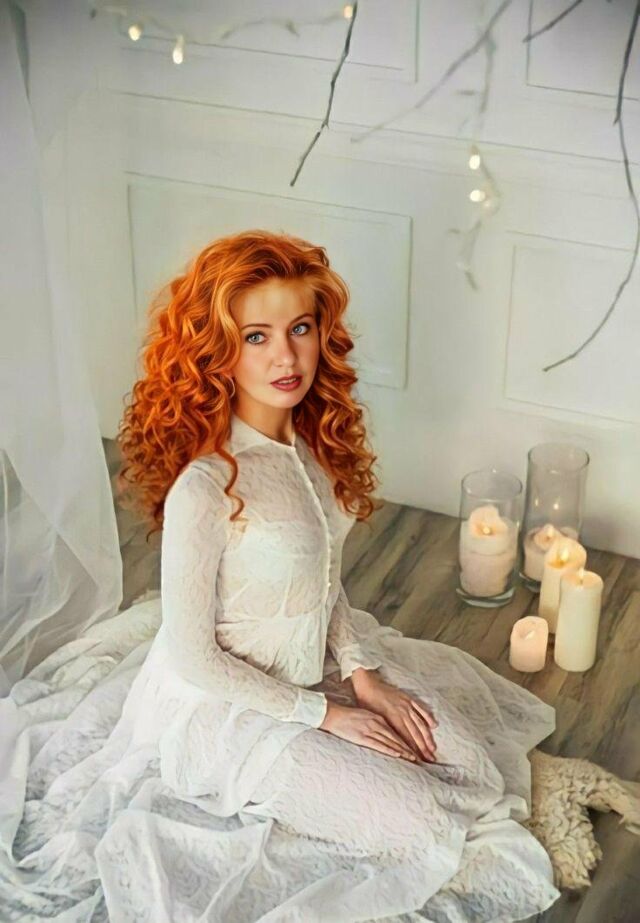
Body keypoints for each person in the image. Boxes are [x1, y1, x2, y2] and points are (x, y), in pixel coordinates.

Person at [0, 229, 561, 921]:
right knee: (422, 823)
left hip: (311, 665)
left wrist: (362, 674)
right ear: (218, 348)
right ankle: (307, 791)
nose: (286, 357)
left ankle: (336, 771)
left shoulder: (315, 450)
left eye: (299, 328)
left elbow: (324, 581)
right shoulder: (206, 485)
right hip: (225, 707)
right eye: (256, 336)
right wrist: (327, 716)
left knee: (476, 774)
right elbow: (195, 658)